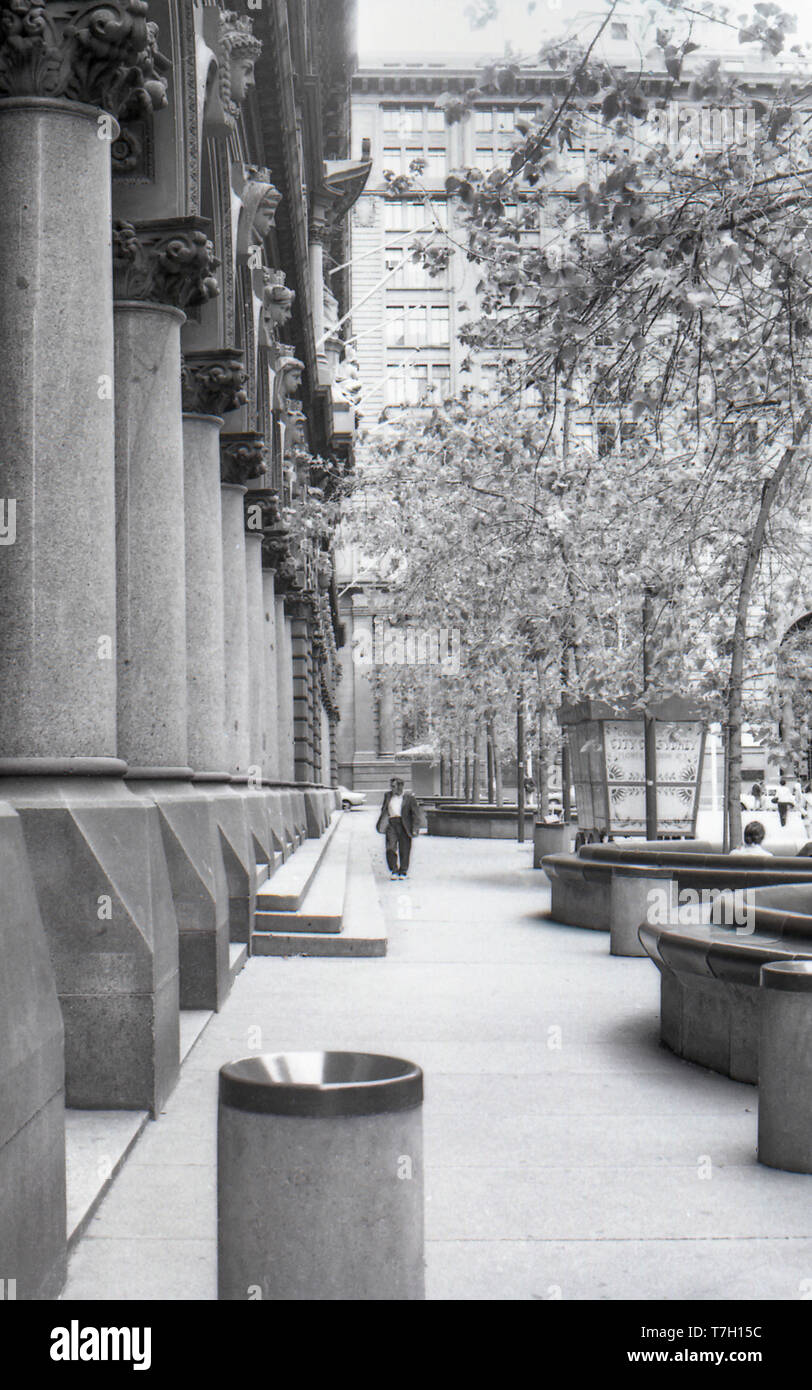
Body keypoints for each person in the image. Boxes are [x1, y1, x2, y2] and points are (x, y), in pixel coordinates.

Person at [376, 777, 423, 878]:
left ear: (400, 787)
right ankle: (394, 870)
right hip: (391, 824)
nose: (391, 788)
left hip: (404, 825)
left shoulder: (409, 798)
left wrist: (415, 829)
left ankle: (403, 871)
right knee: (390, 848)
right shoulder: (387, 796)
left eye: (393, 786)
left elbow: (415, 814)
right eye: (391, 786)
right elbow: (384, 809)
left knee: (404, 848)